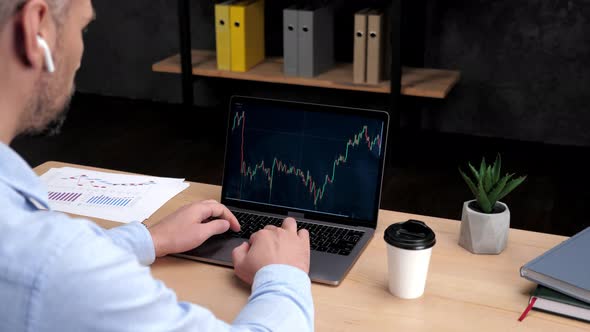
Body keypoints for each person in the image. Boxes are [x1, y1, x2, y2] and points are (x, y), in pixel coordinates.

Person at [0, 0, 314, 331]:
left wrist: (147, 239)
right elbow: (55, 272)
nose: (78, 57)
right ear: (38, 29)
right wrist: (284, 274)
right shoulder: (56, 266)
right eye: (82, 28)